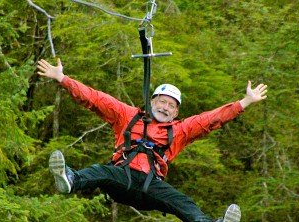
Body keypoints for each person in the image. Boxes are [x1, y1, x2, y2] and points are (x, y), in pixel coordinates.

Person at [37, 58, 267, 222]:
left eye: (171, 106)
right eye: (162, 102)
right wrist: (63, 78)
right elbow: (95, 99)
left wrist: (244, 102)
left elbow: (210, 120)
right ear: (152, 101)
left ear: (176, 113)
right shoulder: (126, 115)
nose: (165, 108)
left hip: (150, 184)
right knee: (101, 171)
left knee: (182, 202)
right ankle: (70, 180)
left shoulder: (179, 130)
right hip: (123, 177)